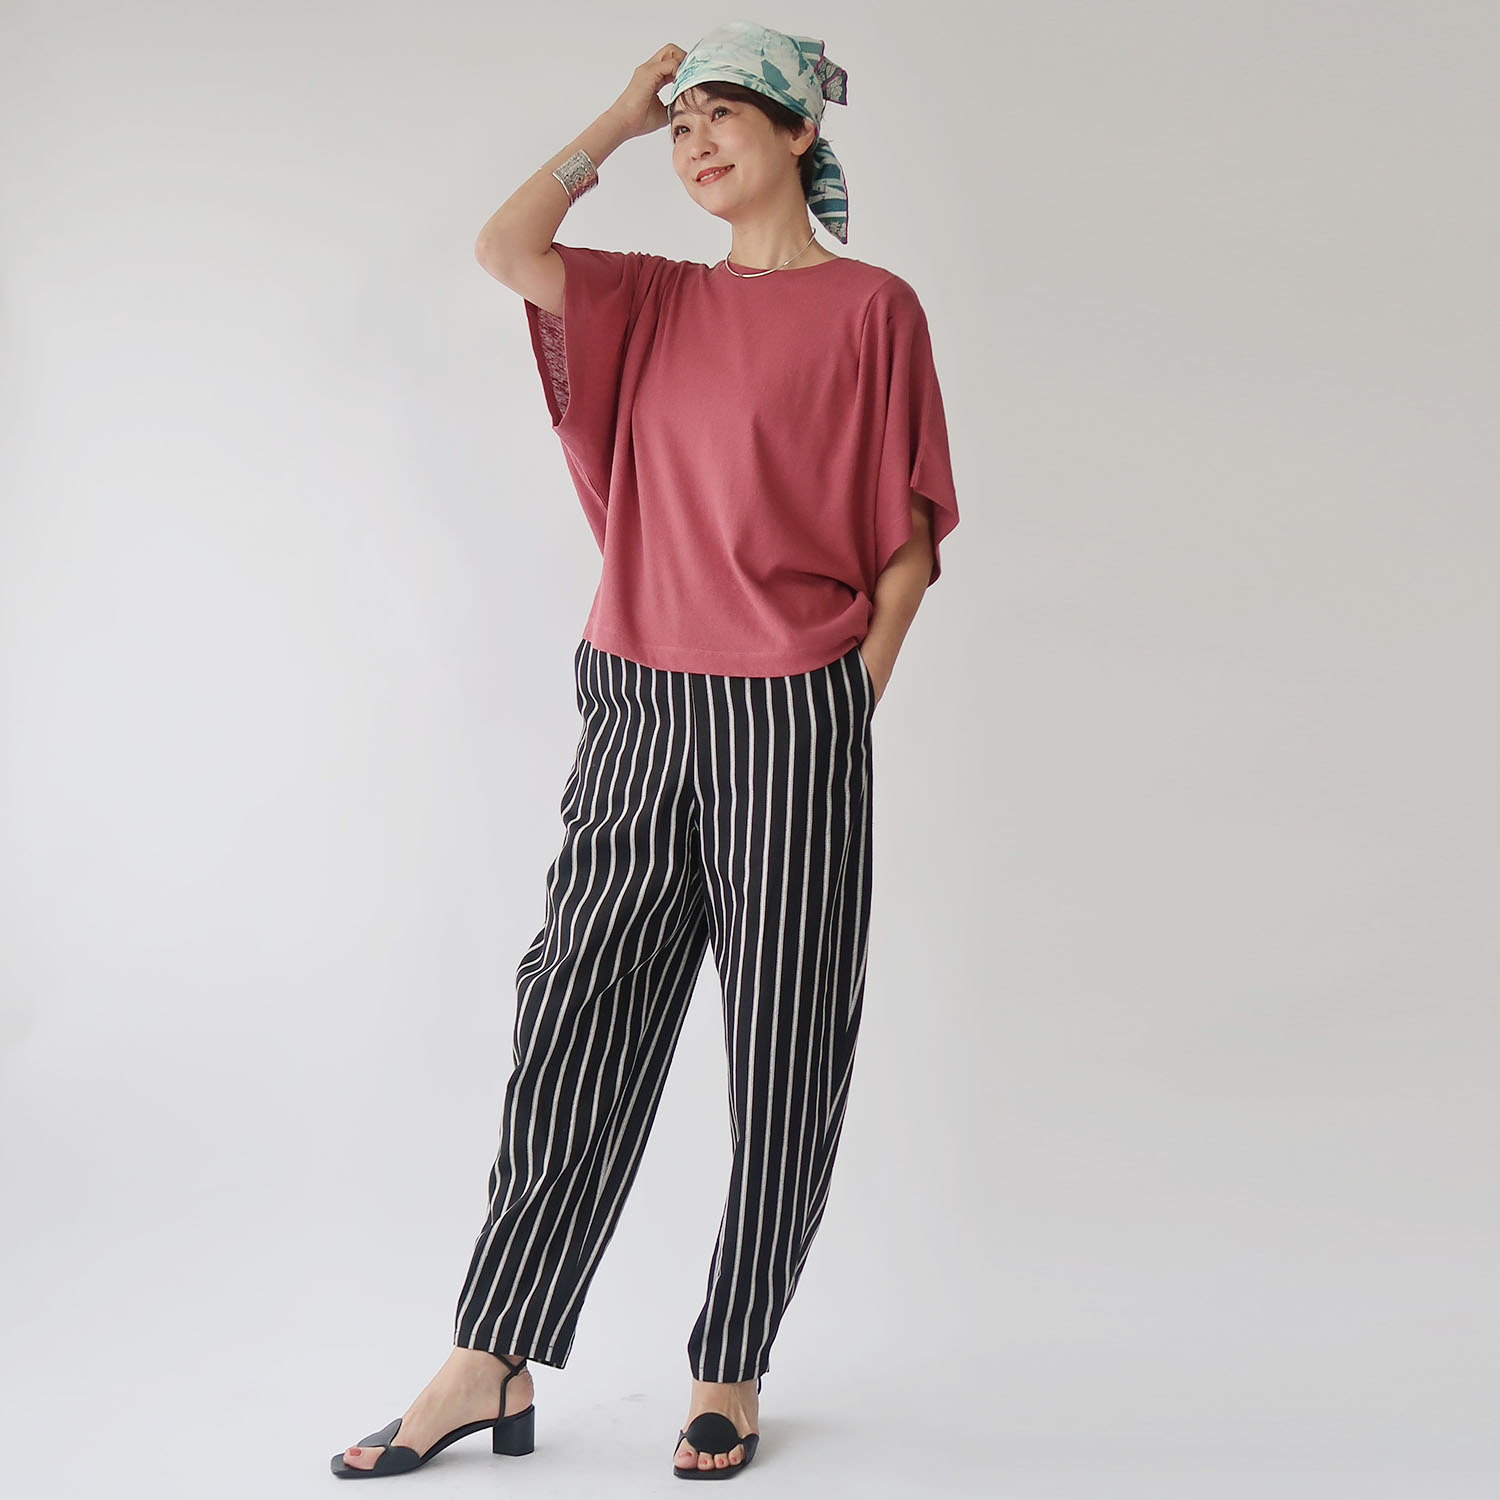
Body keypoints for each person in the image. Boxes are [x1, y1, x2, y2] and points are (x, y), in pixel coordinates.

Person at [331, 20, 959, 1483]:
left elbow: (908, 544)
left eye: (724, 115)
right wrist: (615, 119)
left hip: (792, 714)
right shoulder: (654, 298)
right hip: (633, 698)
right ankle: (489, 1356)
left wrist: (839, 705)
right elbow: (506, 245)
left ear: (801, 133)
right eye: (683, 127)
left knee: (787, 1045)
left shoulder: (874, 308)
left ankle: (730, 1363)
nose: (695, 144)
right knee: (575, 1018)